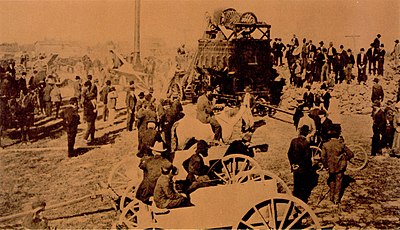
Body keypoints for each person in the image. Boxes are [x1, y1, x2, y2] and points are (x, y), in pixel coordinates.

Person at [321, 124, 354, 205]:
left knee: (331, 180)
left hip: (330, 166)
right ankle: (337, 199)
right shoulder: (341, 144)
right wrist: (345, 158)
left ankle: (331, 196)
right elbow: (351, 154)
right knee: (339, 181)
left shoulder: (326, 145)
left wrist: (325, 166)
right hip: (340, 166)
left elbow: (322, 157)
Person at [287, 125, 314, 203]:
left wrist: (293, 163)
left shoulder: (293, 141)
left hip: (295, 167)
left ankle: (295, 197)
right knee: (304, 183)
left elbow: (289, 153)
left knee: (296, 182)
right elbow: (307, 157)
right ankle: (303, 199)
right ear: (306, 133)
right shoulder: (306, 143)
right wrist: (299, 164)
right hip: (303, 167)